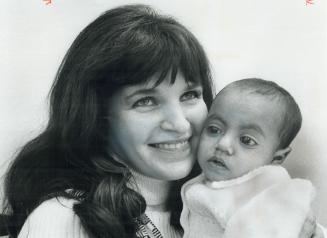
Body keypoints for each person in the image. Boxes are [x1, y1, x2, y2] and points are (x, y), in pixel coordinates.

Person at [1, 5, 322, 238]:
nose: (180, 124)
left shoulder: (234, 205)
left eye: (189, 96)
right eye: (146, 101)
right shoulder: (65, 219)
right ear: (97, 118)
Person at [181, 78, 326, 238]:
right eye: (214, 129)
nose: (223, 144)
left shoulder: (266, 196)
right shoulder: (203, 178)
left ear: (277, 159)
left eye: (246, 140)